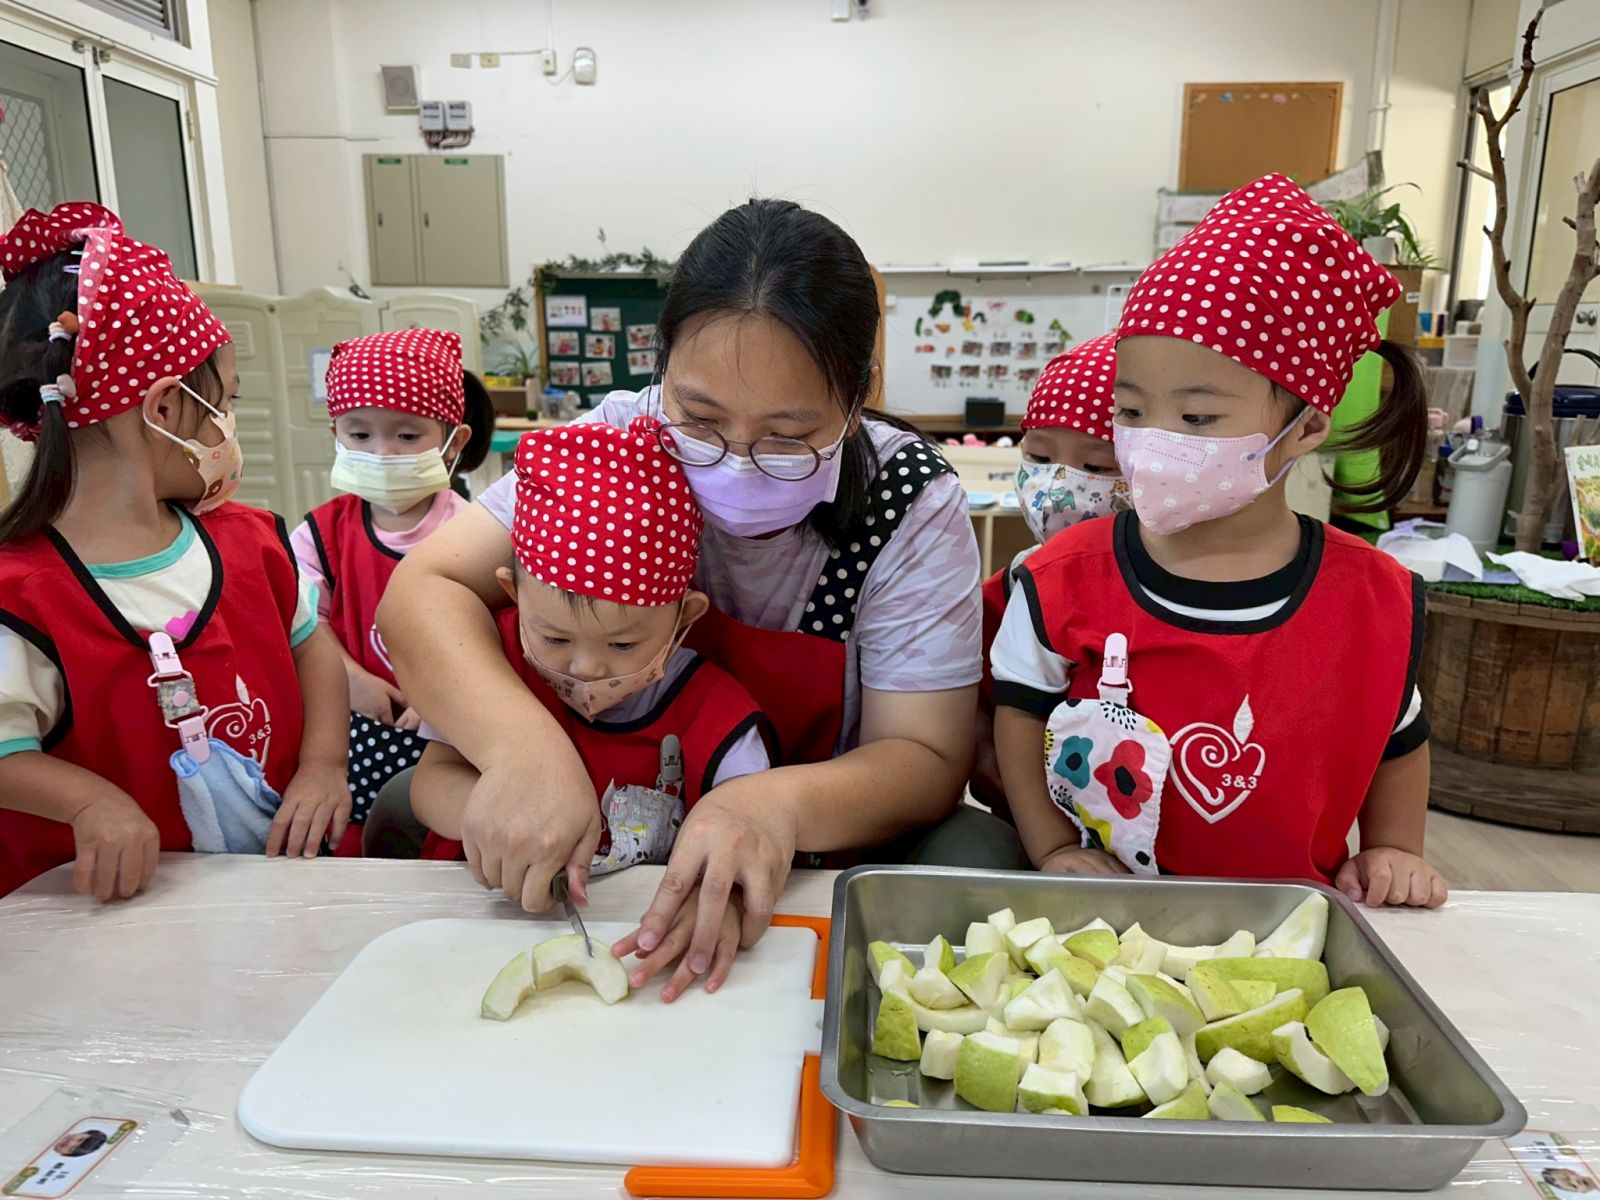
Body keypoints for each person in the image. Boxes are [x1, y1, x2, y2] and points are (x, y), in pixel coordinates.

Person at [379, 198, 1020, 997]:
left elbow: (924, 756)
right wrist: (521, 751)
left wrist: (769, 806)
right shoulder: (616, 443)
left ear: (858, 398)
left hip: (813, 846)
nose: (738, 461)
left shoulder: (908, 502)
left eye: (788, 437)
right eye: (701, 419)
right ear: (664, 372)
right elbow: (425, 589)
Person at [993, 174, 1446, 908]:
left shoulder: (1370, 599)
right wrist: (1051, 847)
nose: (1152, 441)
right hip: (1104, 923)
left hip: (1288, 928)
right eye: (1131, 411)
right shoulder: (1061, 579)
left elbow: (1398, 736)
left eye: (1197, 419)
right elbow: (1019, 714)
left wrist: (1395, 846)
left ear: (1306, 426)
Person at [0, 203, 349, 900]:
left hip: (276, 897)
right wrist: (89, 802)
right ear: (163, 409)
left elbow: (313, 649)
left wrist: (323, 766)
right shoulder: (22, 596)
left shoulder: (252, 541)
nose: (229, 426)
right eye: (227, 403)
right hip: (109, 926)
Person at [414, 421, 779, 992]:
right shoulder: (486, 669)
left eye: (623, 645)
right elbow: (428, 781)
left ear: (683, 618)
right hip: (474, 930)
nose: (585, 668)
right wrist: (495, 819)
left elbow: (749, 838)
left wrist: (722, 899)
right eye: (555, 638)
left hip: (643, 948)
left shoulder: (716, 715)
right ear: (513, 595)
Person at [288, 329, 491, 849]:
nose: (380, 453)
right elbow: (304, 620)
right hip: (348, 733)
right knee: (354, 846)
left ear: (454, 442)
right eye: (359, 435)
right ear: (335, 434)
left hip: (450, 736)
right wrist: (350, 677)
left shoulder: (476, 534)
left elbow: (495, 628)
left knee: (439, 845)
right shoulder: (319, 535)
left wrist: (445, 695)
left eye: (406, 436)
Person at [971, 334, 1122, 818]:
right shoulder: (1002, 595)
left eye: (1096, 465)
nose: (1057, 486)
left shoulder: (1154, 595)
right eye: (1038, 458)